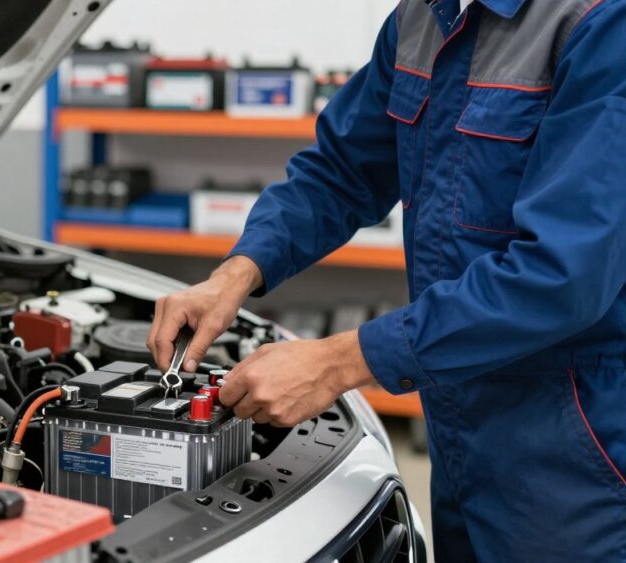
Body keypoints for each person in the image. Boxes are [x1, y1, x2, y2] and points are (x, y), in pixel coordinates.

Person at [147, 0, 626, 560]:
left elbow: (561, 276)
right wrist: (237, 272)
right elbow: (343, 170)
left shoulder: (600, 23)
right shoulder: (422, 18)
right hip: (454, 416)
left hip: (573, 443)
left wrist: (339, 362)